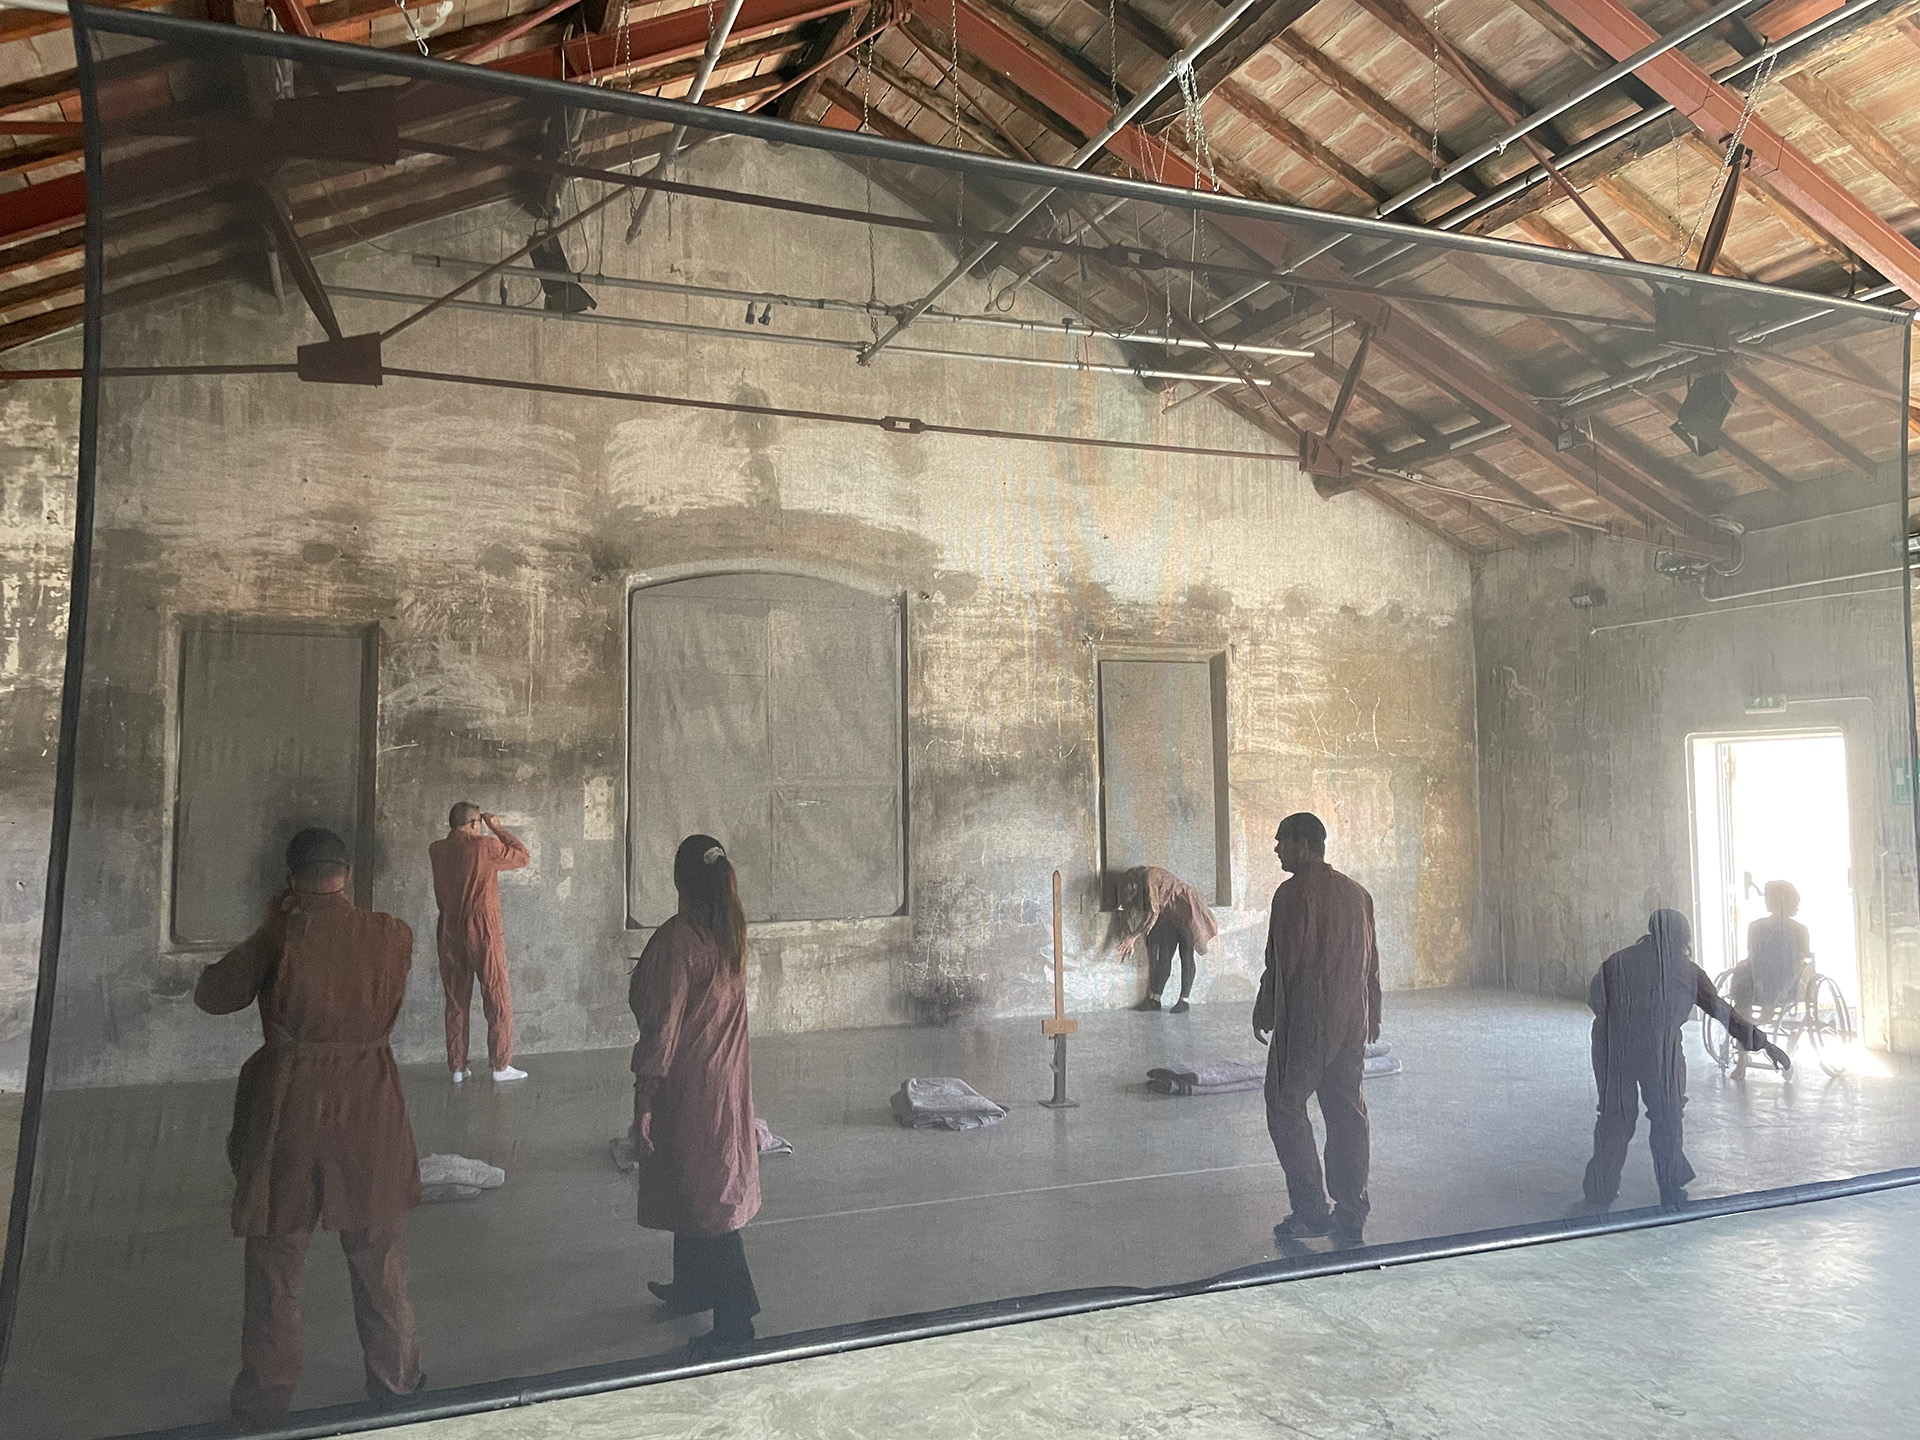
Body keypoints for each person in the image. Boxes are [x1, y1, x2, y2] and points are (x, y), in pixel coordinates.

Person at [194, 828, 424, 1422]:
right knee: (379, 1254)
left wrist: (270, 929)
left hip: (291, 1108)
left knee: (277, 1261)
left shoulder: (280, 937)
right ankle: (397, 1384)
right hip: (369, 1104)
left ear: (291, 878)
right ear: (347, 874)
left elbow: (213, 996)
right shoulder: (393, 933)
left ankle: (266, 1399)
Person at [630, 833, 762, 1358]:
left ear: (678, 879)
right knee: (694, 1186)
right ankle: (692, 1287)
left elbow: (660, 1027)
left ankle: (736, 1320)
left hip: (689, 1086)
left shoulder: (678, 940)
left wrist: (644, 1099)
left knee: (708, 1200)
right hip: (724, 1081)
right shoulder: (729, 933)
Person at [1581, 909, 1792, 1213]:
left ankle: (1601, 1187)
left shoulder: (1619, 961)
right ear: (1684, 937)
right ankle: (1669, 1186)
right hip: (1658, 1049)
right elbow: (1721, 1011)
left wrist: (1623, 1024)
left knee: (1616, 1117)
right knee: (1667, 1116)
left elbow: (1595, 999)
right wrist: (1763, 1042)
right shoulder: (1686, 972)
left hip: (1614, 1046)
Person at [1254, 812, 1381, 1246]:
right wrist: (1373, 1013)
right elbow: (1371, 961)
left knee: (1284, 1104)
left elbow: (1283, 961)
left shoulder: (1292, 894)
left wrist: (1266, 1009)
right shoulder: (1358, 894)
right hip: (1351, 1018)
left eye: (1282, 841)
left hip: (1308, 1019)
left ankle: (1310, 1212)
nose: (1277, 849)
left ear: (1305, 845)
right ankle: (1351, 1210)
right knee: (1347, 1111)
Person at [428, 802, 530, 1083]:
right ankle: (500, 1065)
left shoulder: (436, 849)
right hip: (482, 927)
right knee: (495, 992)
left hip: (449, 929)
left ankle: (457, 1067)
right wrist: (497, 828)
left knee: (455, 998)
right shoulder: (485, 846)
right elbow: (522, 856)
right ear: (475, 824)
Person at [1115, 864, 1220, 1013]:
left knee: (1186, 956)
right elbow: (1129, 908)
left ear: (1133, 884)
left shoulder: (1149, 877)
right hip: (1171, 916)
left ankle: (1184, 1000)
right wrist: (1128, 933)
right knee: (1164, 957)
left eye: (1130, 890)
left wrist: (1132, 937)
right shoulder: (1141, 884)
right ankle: (1155, 999)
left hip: (1187, 913)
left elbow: (1153, 912)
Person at [1730, 880, 1814, 1019]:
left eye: (1771, 897)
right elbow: (1752, 955)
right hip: (1758, 971)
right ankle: (1743, 1015)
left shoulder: (1799, 930)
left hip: (1788, 974)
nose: (1768, 901)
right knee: (1744, 978)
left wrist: (1783, 986)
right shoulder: (1755, 927)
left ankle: (1765, 1004)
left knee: (1779, 970)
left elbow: (1800, 959)